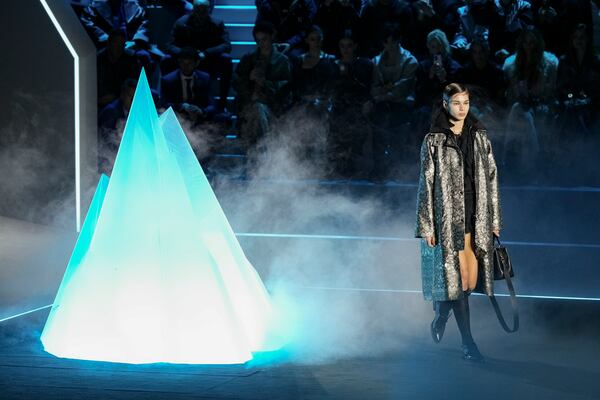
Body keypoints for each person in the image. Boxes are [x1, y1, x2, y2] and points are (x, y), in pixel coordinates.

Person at [415, 82, 502, 362]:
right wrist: (427, 224)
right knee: (460, 282)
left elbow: (491, 176)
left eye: (465, 102)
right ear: (445, 104)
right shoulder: (433, 140)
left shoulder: (479, 136)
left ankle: (441, 315)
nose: (462, 108)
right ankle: (468, 343)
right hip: (448, 219)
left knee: (468, 283)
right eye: (456, 103)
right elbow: (425, 183)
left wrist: (494, 218)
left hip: (476, 216)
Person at [232, 21, 292, 145]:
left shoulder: (282, 61)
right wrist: (249, 78)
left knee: (258, 110)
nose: (261, 44)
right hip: (249, 107)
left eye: (264, 39)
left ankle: (262, 151)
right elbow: (236, 83)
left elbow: (286, 89)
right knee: (254, 111)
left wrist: (265, 83)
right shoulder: (248, 59)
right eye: (258, 40)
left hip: (273, 109)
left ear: (271, 37)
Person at [167, 0, 233, 111]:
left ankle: (222, 104)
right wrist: (186, 54)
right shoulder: (181, 23)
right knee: (166, 60)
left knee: (226, 60)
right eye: (198, 9)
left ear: (209, 10)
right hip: (186, 61)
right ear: (193, 9)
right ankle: (169, 102)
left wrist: (207, 53)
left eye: (204, 9)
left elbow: (227, 45)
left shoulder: (217, 24)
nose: (201, 13)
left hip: (208, 61)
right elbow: (169, 45)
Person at [161, 48, 216, 125]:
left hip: (199, 117)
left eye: (190, 63)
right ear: (179, 63)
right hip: (177, 117)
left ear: (196, 63)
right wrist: (181, 106)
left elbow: (212, 105)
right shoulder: (168, 80)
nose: (186, 66)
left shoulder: (205, 78)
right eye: (183, 63)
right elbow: (164, 104)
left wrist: (202, 111)